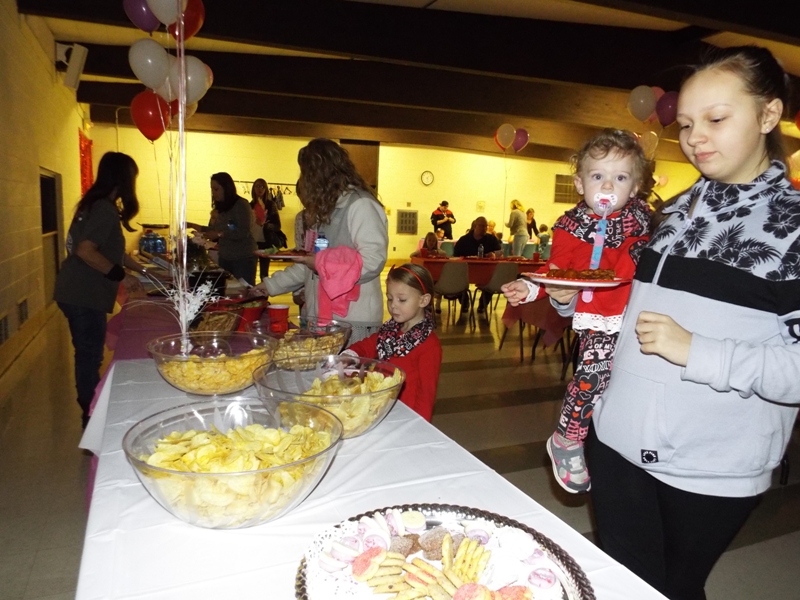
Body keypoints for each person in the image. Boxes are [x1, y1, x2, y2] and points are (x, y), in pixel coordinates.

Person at [588, 46, 800, 600]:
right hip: (614, 441)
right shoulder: (672, 211)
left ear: (769, 115)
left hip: (709, 468)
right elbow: (631, 313)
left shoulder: (794, 228)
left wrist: (699, 350)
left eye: (716, 119)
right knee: (625, 587)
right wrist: (578, 298)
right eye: (685, 124)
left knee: (670, 588)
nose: (695, 138)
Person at [501, 128, 653, 493]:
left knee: (629, 387)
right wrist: (533, 287)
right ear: (580, 184)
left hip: (640, 317)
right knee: (592, 376)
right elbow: (560, 272)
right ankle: (567, 437)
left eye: (620, 178)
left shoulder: (644, 224)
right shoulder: (570, 227)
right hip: (600, 315)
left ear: (635, 187)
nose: (608, 186)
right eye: (598, 176)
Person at [254, 138, 388, 343]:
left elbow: (373, 261)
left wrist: (318, 262)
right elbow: (310, 263)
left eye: (305, 173)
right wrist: (269, 286)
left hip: (353, 318)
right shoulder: (326, 209)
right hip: (323, 315)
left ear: (319, 174)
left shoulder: (361, 205)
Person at [53, 152, 148, 429]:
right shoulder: (104, 209)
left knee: (87, 353)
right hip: (83, 293)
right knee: (89, 356)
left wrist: (144, 271)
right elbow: (86, 251)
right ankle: (91, 416)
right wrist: (122, 277)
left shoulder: (95, 204)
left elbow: (112, 252)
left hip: (74, 290)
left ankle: (91, 410)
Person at [343, 263, 442, 421]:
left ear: (423, 300)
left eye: (402, 300)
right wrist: (350, 354)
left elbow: (426, 395)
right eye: (390, 299)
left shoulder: (429, 346)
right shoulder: (390, 330)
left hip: (405, 416)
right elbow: (369, 345)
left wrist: (418, 425)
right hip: (381, 407)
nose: (393, 305)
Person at [189, 172, 257, 285]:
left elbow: (242, 232)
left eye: (216, 189)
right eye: (212, 189)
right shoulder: (221, 207)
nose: (213, 193)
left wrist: (219, 234)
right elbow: (215, 229)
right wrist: (194, 226)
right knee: (227, 289)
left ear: (226, 188)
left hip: (243, 258)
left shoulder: (241, 205)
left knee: (243, 288)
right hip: (225, 256)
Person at [454, 216, 503, 313]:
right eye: (481, 226)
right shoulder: (464, 240)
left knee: (492, 280)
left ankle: (482, 304)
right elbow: (455, 256)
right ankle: (464, 302)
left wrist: (494, 254)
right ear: (475, 226)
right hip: (466, 270)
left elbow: (500, 252)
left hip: (487, 271)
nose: (484, 228)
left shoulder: (492, 239)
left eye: (485, 226)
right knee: (456, 278)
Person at [250, 178, 284, 281]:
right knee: (251, 272)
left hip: (266, 242)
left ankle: (264, 291)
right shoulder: (249, 205)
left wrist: (265, 224)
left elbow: (277, 226)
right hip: (252, 242)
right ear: (253, 188)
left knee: (264, 274)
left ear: (266, 189)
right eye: (257, 186)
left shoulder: (270, 205)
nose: (260, 189)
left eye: (262, 186)